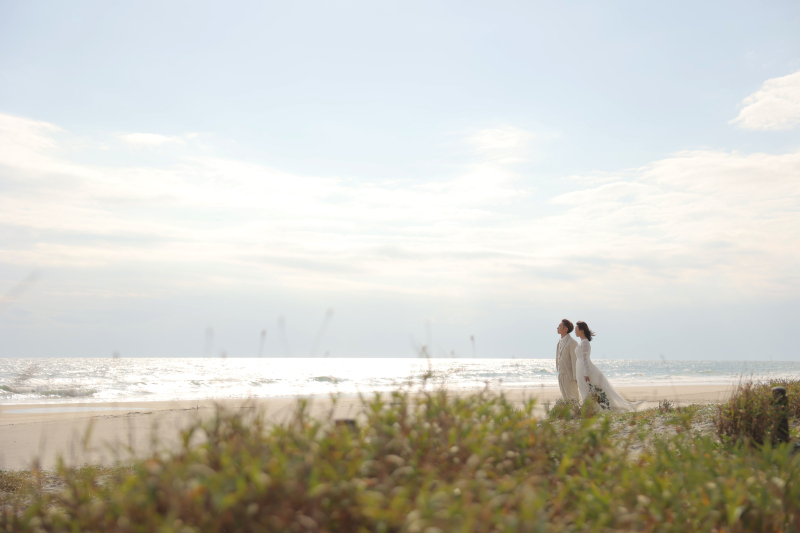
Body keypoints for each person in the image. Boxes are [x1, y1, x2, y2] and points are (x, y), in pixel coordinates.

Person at [574, 321, 641, 412]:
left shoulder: (585, 342)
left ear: (581, 330)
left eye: (576, 329)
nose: (575, 331)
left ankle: (593, 410)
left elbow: (585, 359)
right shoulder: (581, 341)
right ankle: (590, 409)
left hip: (584, 369)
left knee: (590, 389)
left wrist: (586, 373)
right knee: (584, 389)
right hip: (580, 368)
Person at [555, 319, 580, 401]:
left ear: (566, 329)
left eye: (560, 326)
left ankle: (577, 414)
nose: (557, 327)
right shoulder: (559, 342)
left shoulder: (572, 342)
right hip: (561, 375)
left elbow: (575, 360)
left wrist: (576, 377)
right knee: (565, 400)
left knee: (573, 400)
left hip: (570, 376)